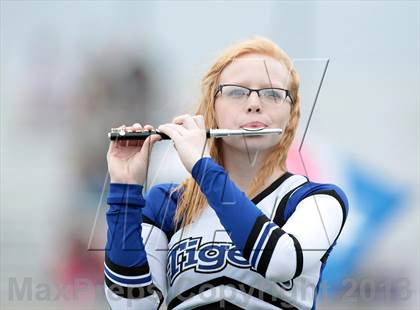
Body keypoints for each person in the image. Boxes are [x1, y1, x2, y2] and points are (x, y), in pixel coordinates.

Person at [103, 36, 349, 310]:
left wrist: (203, 167)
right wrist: (125, 189)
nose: (254, 103)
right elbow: (132, 304)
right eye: (237, 92)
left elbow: (280, 260)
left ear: (291, 114)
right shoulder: (167, 202)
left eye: (272, 93)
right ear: (212, 108)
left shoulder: (319, 200)